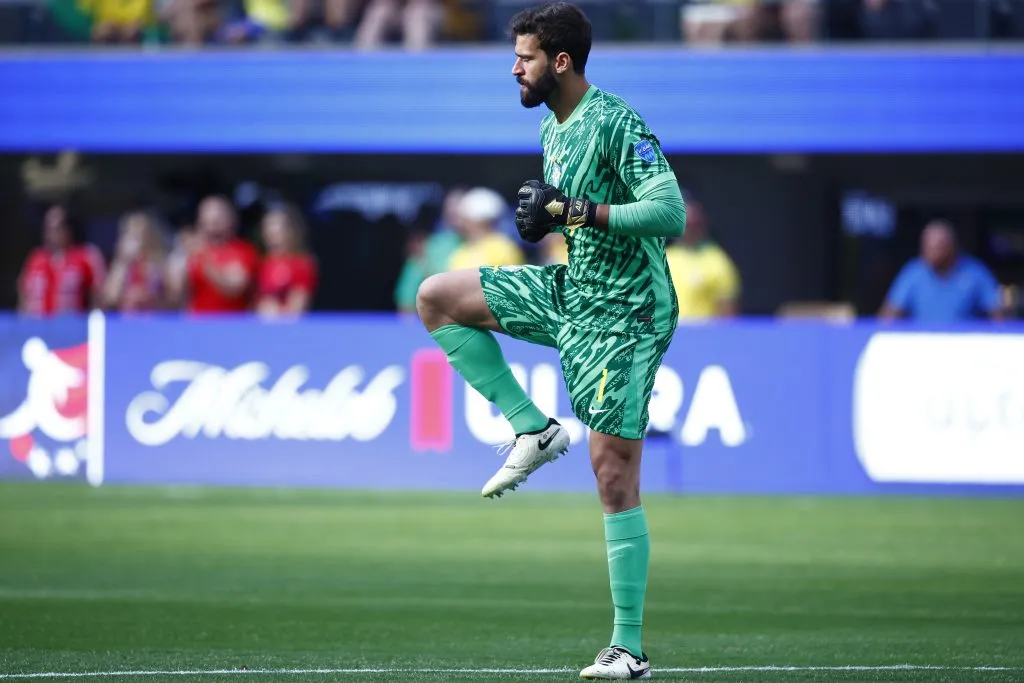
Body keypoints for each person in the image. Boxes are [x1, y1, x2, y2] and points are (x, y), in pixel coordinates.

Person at [414, 3, 685, 679]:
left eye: (525, 58)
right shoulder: (553, 128)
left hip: (627, 312)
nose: (515, 69)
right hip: (574, 290)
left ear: (560, 62)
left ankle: (630, 648)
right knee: (439, 298)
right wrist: (554, 222)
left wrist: (577, 211)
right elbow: (572, 220)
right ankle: (532, 429)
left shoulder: (615, 120)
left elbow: (669, 209)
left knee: (612, 468)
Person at [880, 219, 1003, 323]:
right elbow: (889, 315)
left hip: (964, 344)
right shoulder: (914, 272)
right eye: (926, 247)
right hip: (922, 344)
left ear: (951, 247)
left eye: (936, 248)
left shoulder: (975, 272)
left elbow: (999, 314)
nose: (929, 253)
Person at [173, 195, 261, 315]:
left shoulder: (243, 250)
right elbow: (175, 296)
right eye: (208, 219)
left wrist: (203, 257)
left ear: (231, 220)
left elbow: (234, 287)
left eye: (218, 219)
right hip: (197, 324)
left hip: (232, 324)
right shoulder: (191, 252)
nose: (213, 223)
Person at [18, 204, 106, 317]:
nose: (50, 234)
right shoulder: (35, 259)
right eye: (48, 228)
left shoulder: (86, 256)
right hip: (37, 328)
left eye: (56, 228)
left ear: (69, 229)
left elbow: (98, 296)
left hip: (71, 327)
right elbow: (24, 296)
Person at [664, 194, 740, 321]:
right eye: (684, 224)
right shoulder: (665, 256)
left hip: (704, 336)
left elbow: (728, 312)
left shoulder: (716, 260)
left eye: (694, 225)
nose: (688, 230)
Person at [255, 204, 319, 317]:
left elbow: (296, 309)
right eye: (267, 228)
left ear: (291, 232)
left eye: (278, 229)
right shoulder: (260, 262)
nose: (272, 234)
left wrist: (272, 310)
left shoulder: (301, 264)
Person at [101, 211, 170, 313]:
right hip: (126, 321)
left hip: (152, 320)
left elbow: (170, 299)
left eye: (141, 234)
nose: (138, 240)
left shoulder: (159, 264)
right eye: (133, 235)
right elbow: (111, 298)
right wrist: (124, 262)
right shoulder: (120, 264)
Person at [445, 187, 526, 271]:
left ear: (480, 221)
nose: (462, 223)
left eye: (466, 218)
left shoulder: (503, 248)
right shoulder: (460, 252)